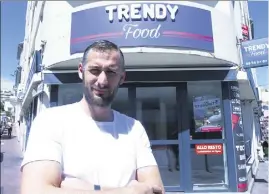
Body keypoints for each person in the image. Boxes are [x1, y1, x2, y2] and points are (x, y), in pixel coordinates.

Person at [20, 40, 164, 194]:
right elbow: (34, 190)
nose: (102, 81)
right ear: (81, 71)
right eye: (95, 70)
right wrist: (125, 191)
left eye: (111, 72)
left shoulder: (134, 129)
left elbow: (156, 190)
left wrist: (80, 188)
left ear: (122, 78)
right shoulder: (50, 121)